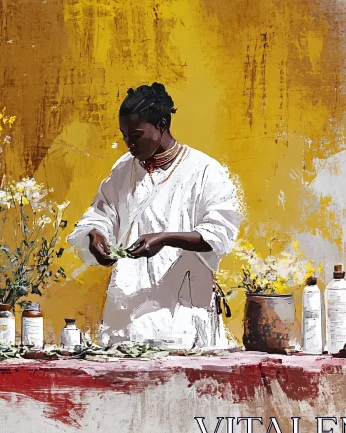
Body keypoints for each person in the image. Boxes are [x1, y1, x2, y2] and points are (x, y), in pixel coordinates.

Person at [67, 82, 243, 349]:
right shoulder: (123, 169)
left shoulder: (205, 170)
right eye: (124, 135)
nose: (129, 143)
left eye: (136, 135)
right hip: (127, 302)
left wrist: (165, 238)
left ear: (161, 125)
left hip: (183, 302)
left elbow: (219, 234)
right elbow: (101, 212)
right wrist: (96, 235)